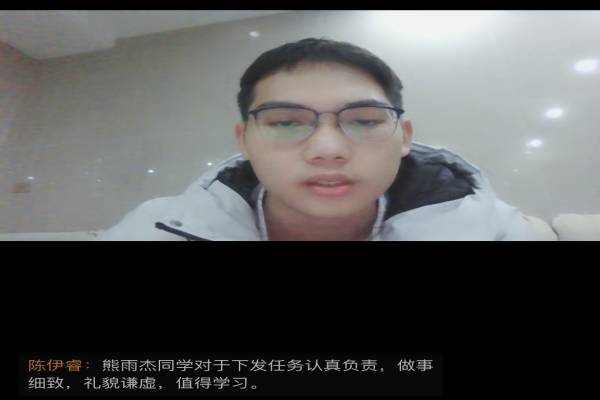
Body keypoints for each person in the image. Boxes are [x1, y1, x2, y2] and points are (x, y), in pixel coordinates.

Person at [97, 38, 533, 241]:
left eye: (364, 120)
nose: (328, 150)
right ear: (244, 140)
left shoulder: (493, 231)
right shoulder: (156, 230)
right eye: (287, 122)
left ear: (403, 138)